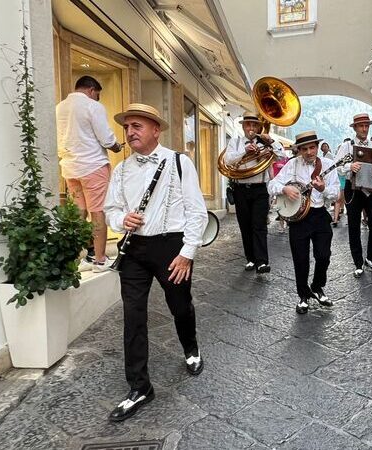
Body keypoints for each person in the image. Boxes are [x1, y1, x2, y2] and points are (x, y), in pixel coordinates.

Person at [104, 103, 208, 421]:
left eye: (137, 126)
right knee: (133, 316)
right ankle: (139, 388)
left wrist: (187, 252)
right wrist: (123, 218)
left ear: (155, 130)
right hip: (134, 250)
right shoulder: (121, 170)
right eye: (127, 127)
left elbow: (197, 210)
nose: (130, 132)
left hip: (171, 247)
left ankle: (190, 348)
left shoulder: (179, 161)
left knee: (180, 305)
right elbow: (110, 209)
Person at [56, 75, 123, 272]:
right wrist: (117, 146)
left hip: (70, 168)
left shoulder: (60, 107)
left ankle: (76, 259)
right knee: (97, 211)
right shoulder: (92, 106)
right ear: (92, 90)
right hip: (93, 165)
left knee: (78, 213)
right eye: (98, 95)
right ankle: (100, 260)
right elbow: (106, 138)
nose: (97, 99)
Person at [268, 131, 339, 314]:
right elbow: (271, 185)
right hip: (299, 219)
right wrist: (285, 188)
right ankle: (303, 296)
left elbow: (336, 193)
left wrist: (323, 189)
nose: (309, 152)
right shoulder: (292, 165)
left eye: (312, 147)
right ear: (299, 150)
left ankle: (317, 286)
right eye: (305, 149)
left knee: (323, 255)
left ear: (317, 147)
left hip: (320, 215)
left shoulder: (329, 165)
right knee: (300, 259)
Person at [223, 111, 285, 273]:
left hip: (259, 189)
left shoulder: (265, 143)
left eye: (254, 125)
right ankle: (250, 259)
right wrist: (245, 152)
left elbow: (281, 155)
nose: (251, 128)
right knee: (245, 225)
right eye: (248, 124)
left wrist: (271, 141)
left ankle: (262, 261)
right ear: (243, 126)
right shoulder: (235, 143)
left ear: (259, 127)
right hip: (240, 188)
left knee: (259, 225)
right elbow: (227, 160)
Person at [335, 114, 372, 278]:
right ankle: (358, 263)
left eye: (366, 126)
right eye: (361, 126)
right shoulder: (347, 147)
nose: (364, 129)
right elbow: (337, 165)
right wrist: (350, 166)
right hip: (354, 190)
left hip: (371, 192)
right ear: (355, 128)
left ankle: (371, 259)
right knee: (353, 227)